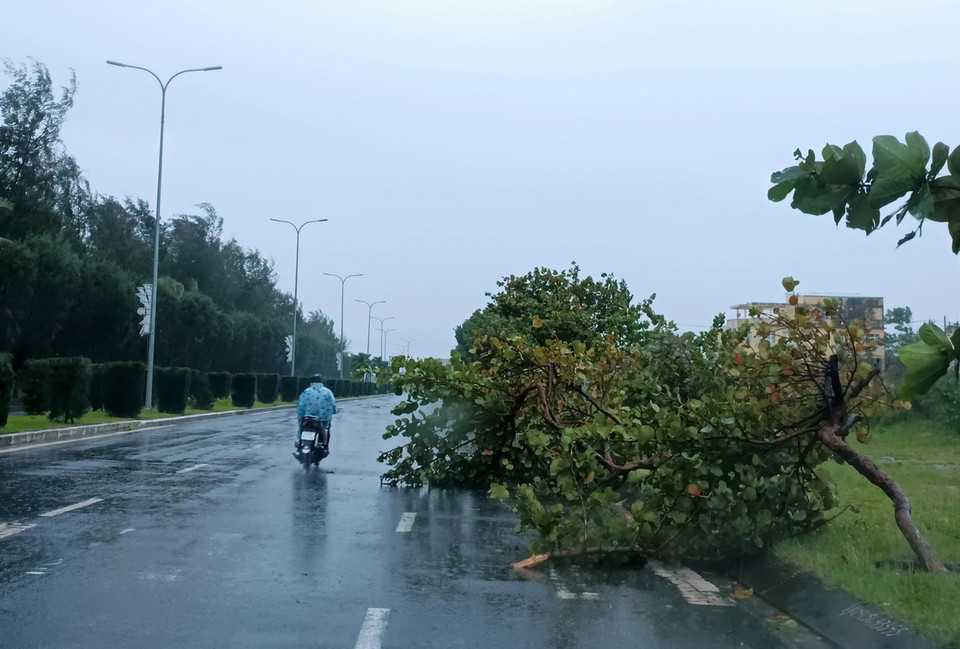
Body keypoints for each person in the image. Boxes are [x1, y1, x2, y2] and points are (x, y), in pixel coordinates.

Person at [296, 374, 337, 453]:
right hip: (323, 418)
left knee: (301, 427)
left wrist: (301, 416)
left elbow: (300, 405)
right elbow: (333, 404)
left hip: (307, 417)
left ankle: (300, 442)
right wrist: (334, 411)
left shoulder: (306, 391)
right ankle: (324, 446)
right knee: (326, 428)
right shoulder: (327, 392)